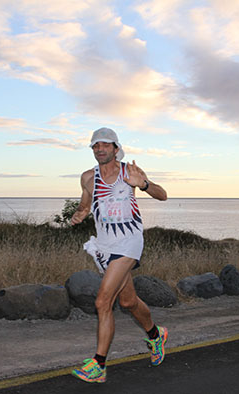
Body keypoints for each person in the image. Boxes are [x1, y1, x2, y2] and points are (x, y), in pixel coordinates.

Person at [70, 127, 168, 383]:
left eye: (105, 145)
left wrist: (143, 184)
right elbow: (85, 204)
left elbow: (162, 195)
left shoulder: (130, 172)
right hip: (104, 245)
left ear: (116, 148)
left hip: (129, 242)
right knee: (127, 302)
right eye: (95, 146)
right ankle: (156, 335)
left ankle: (99, 365)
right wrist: (80, 214)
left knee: (103, 301)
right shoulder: (88, 178)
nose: (100, 149)